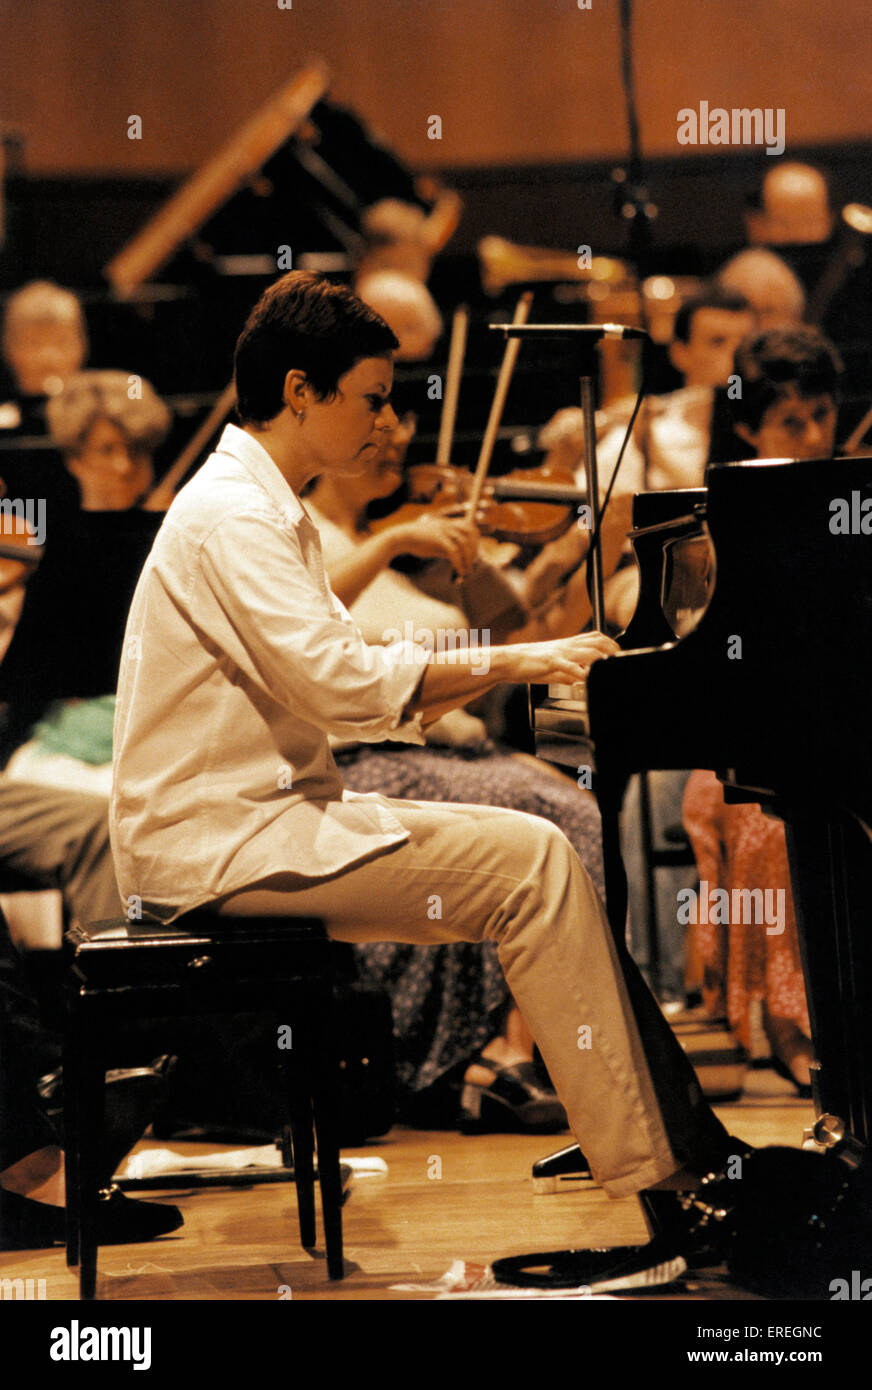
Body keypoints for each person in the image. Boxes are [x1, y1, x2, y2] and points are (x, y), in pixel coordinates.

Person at [110, 272, 741, 1245]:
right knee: (535, 859)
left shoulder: (257, 501)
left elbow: (349, 670)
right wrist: (524, 655)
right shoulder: (235, 513)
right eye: (368, 396)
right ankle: (661, 1184)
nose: (385, 422)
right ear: (298, 392)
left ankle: (667, 1149)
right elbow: (343, 687)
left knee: (539, 846)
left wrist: (516, 648)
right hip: (215, 842)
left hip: (256, 819)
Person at [306, 425, 615, 1128]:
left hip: (450, 746)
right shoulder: (313, 538)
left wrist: (564, 553)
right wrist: (392, 540)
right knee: (529, 808)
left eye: (397, 422)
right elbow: (309, 623)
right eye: (373, 417)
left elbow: (498, 643)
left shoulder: (412, 554)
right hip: (367, 754)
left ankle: (537, 1046)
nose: (395, 438)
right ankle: (486, 1054)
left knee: (577, 800)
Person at [682, 324, 843, 1093]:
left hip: (852, 731)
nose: (815, 436)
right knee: (780, 826)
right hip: (747, 744)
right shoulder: (717, 517)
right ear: (748, 426)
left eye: (823, 413)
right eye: (791, 422)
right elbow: (699, 648)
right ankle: (797, 1029)